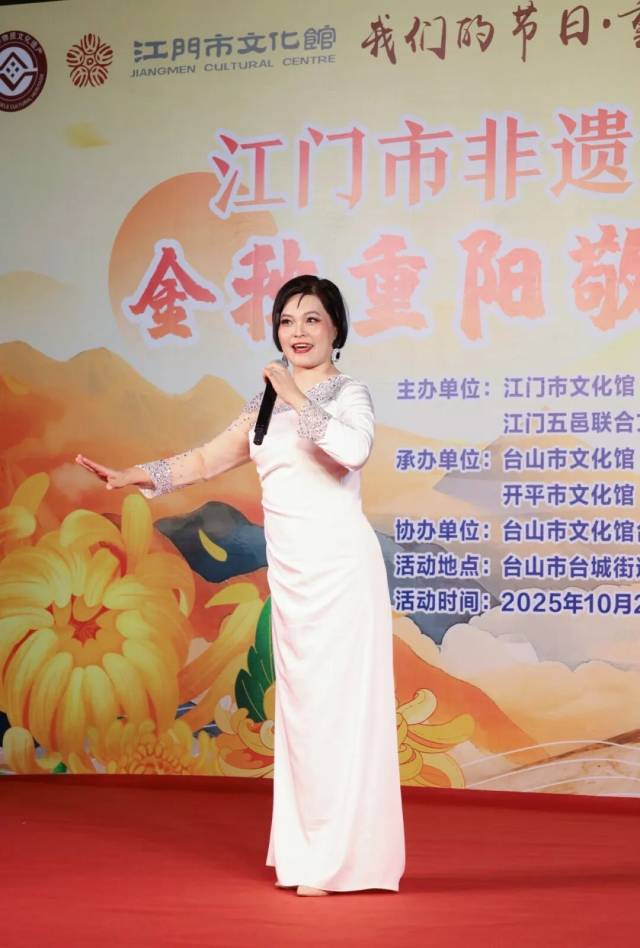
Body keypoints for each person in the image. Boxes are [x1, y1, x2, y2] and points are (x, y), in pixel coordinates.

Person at [76, 275, 405, 896]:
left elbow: (352, 450)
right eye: (286, 321)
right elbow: (205, 459)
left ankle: (344, 860)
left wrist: (295, 394)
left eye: (312, 319)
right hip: (294, 574)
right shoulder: (262, 405)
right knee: (302, 713)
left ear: (336, 328)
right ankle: (309, 853)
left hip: (340, 571)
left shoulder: (347, 393)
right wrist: (134, 475)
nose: (298, 332)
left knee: (338, 710)